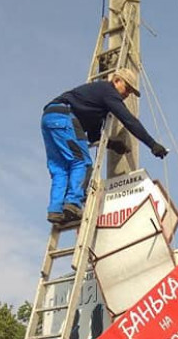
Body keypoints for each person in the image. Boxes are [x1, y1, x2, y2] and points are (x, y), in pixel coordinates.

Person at [41, 66, 169, 226]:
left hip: (50, 117)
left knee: (60, 169)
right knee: (82, 163)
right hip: (65, 117)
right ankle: (73, 204)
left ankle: (55, 210)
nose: (126, 94)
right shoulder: (108, 91)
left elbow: (94, 136)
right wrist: (152, 144)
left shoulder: (96, 104)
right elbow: (129, 120)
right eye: (127, 88)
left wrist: (112, 144)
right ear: (116, 80)